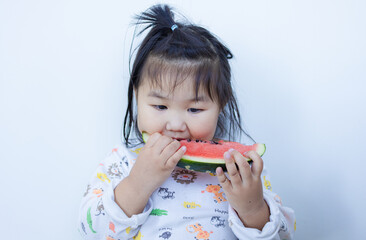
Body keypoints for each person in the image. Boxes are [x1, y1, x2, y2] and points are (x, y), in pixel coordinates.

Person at [78, 4, 295, 240]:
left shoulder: (242, 170)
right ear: (136, 97)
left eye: (194, 109)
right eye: (160, 106)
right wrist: (138, 183)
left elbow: (283, 236)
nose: (175, 125)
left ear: (220, 106)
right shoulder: (119, 164)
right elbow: (91, 231)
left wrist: (252, 208)